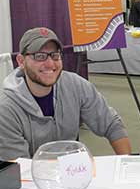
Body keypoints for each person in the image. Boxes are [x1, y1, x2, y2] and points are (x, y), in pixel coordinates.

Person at [0, 27, 131, 160]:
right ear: (21, 61)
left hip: (74, 171)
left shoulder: (76, 85)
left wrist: (126, 163)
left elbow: (111, 124)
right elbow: (18, 167)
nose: (50, 64)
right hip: (34, 177)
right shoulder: (6, 109)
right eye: (39, 56)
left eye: (55, 55)